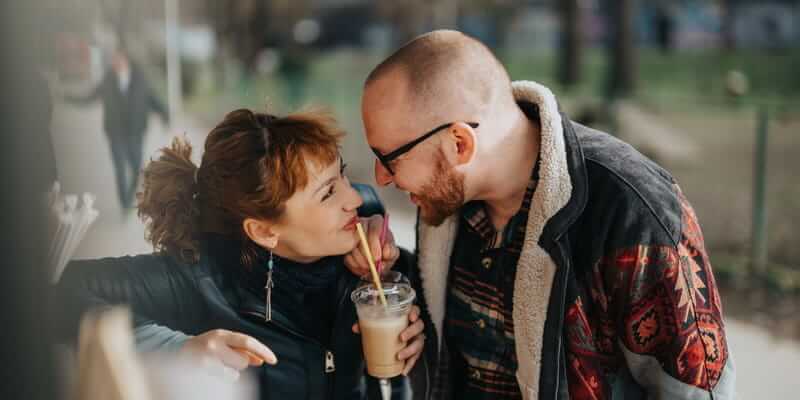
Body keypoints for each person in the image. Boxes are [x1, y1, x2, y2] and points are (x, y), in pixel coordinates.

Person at [349, 30, 735, 399]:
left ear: (459, 143)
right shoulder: (446, 197)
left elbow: (695, 390)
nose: (382, 178)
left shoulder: (630, 209)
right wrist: (395, 276)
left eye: (389, 158)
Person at [55, 108, 427, 399]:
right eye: (328, 192)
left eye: (341, 174)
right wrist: (176, 347)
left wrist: (402, 280)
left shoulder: (360, 237)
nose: (354, 198)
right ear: (264, 231)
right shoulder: (202, 278)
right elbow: (57, 291)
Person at [65, 45, 169, 209]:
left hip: (136, 133)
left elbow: (152, 99)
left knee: (136, 169)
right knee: (120, 169)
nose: (116, 62)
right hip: (115, 133)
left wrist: (165, 114)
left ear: (126, 60)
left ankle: (129, 196)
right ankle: (124, 203)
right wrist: (69, 97)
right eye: (114, 60)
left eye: (119, 59)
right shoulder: (108, 80)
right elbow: (90, 97)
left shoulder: (140, 79)